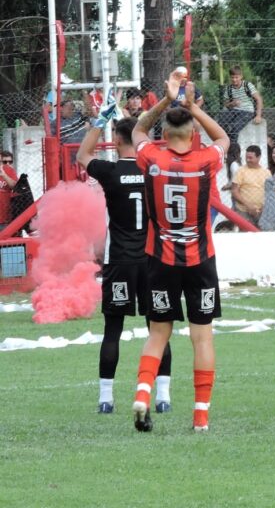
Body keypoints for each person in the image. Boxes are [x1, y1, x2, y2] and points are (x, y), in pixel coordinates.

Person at [129, 73, 229, 433]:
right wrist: (191, 107)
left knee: (158, 334)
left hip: (160, 260)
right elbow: (224, 138)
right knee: (201, 337)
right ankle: (200, 415)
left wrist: (164, 101)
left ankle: (143, 393)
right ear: (191, 133)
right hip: (200, 261)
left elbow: (138, 131)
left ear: (166, 135)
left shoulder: (152, 158)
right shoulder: (205, 161)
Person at [77, 117, 173, 415]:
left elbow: (82, 156)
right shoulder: (153, 170)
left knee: (112, 330)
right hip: (152, 261)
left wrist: (98, 121)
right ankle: (163, 397)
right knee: (157, 330)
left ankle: (106, 399)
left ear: (116, 141)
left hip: (119, 261)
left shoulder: (110, 170)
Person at [218, 65, 264, 141]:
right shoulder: (229, 88)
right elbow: (225, 104)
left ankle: (233, 149)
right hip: (233, 110)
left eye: (236, 77)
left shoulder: (247, 85)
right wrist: (232, 103)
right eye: (232, 77)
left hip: (247, 111)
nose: (234, 80)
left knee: (234, 128)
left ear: (241, 76)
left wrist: (258, 116)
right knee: (221, 121)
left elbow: (259, 99)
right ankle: (225, 140)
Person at [231, 145, 270, 225]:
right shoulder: (240, 171)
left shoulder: (266, 173)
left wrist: (264, 207)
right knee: (245, 235)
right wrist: (248, 205)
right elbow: (234, 191)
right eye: (246, 157)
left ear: (259, 157)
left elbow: (270, 192)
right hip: (244, 211)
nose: (247, 160)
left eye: (250, 158)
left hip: (262, 212)